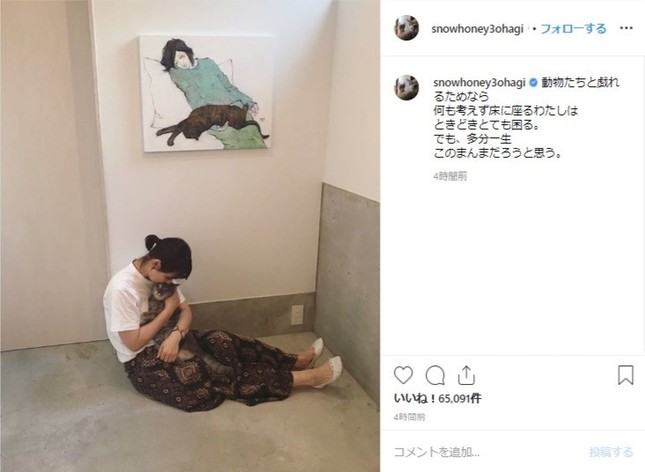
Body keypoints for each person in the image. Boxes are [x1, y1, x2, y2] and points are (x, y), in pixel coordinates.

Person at [103, 234, 342, 412]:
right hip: (143, 360)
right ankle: (308, 379)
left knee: (222, 341)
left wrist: (176, 335)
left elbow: (186, 312)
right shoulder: (122, 290)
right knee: (213, 373)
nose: (169, 284)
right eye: (168, 278)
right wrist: (167, 311)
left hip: (172, 337)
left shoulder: (161, 278)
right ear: (155, 263)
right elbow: (133, 343)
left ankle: (295, 361)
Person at [160, 38, 267, 150]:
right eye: (176, 63)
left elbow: (229, 87)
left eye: (181, 56)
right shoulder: (178, 75)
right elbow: (195, 100)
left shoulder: (208, 63)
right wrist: (213, 122)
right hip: (213, 116)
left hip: (235, 107)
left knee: (253, 135)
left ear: (187, 52)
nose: (181, 64)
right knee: (233, 141)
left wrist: (248, 101)